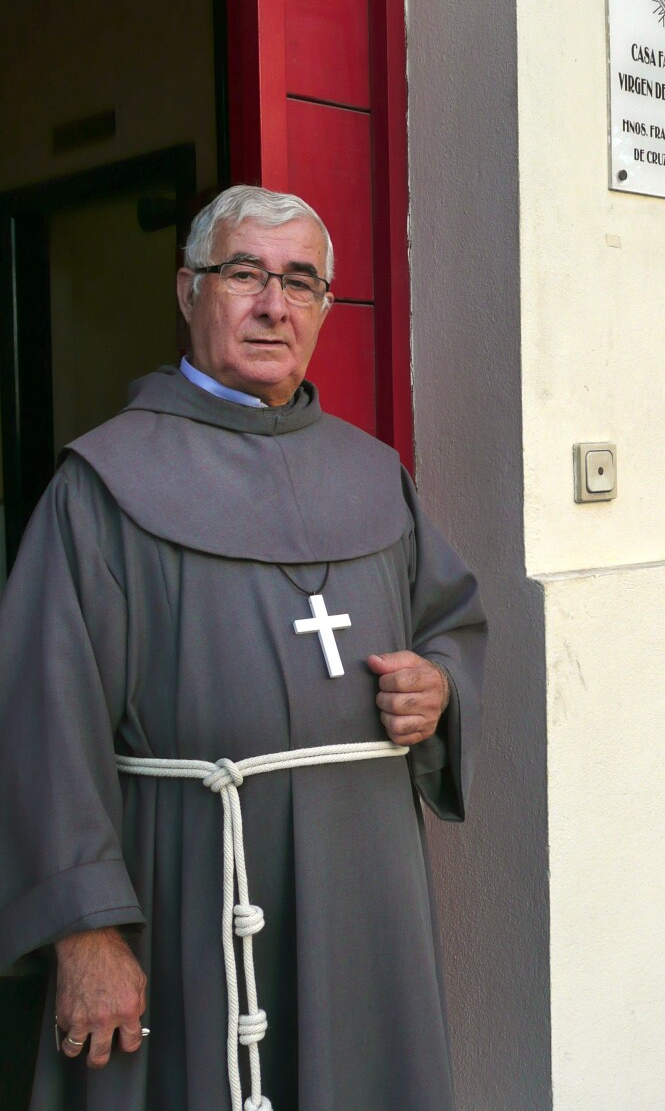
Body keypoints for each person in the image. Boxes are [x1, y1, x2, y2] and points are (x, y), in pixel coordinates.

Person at [0, 186, 486, 1111]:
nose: (274, 304)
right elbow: (40, 721)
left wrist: (441, 690)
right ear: (189, 292)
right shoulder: (102, 485)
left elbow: (451, 628)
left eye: (301, 282)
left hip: (362, 891)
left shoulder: (374, 473)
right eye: (245, 274)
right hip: (189, 883)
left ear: (324, 309)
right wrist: (85, 933)